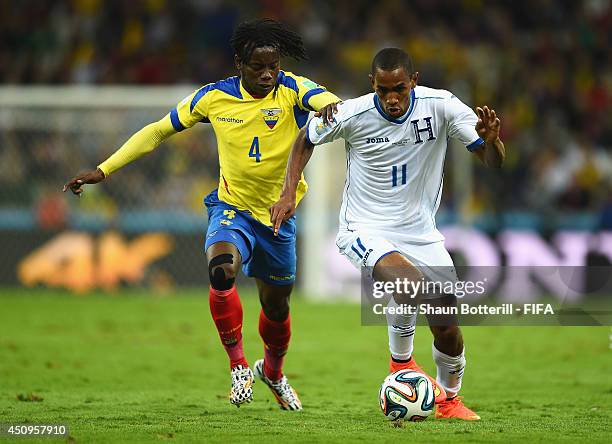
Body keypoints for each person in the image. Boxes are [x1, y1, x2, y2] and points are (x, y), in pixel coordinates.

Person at [63, 19, 341, 411]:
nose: (267, 75)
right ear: (238, 64)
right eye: (258, 67)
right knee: (221, 269)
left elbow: (324, 98)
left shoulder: (292, 89)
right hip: (232, 207)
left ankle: (274, 372)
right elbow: (158, 131)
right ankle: (240, 365)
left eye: (273, 67)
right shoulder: (212, 98)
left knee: (277, 307)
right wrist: (104, 169)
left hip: (279, 216)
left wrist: (330, 105)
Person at [271, 47, 505, 420]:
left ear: (414, 80)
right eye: (383, 90)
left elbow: (493, 162)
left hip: (421, 233)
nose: (392, 98)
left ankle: (449, 400)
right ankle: (401, 366)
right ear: (372, 85)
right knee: (410, 285)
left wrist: (491, 141)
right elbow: (305, 138)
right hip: (363, 227)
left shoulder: (442, 106)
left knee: (447, 324)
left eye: (400, 88)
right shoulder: (353, 113)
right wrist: (288, 192)